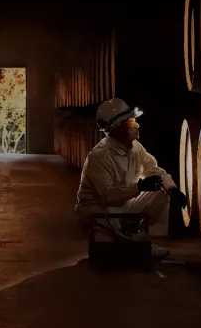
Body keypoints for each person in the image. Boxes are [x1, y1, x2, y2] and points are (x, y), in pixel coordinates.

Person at [75, 98, 187, 260]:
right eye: (131, 122)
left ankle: (147, 242)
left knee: (161, 192)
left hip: (121, 206)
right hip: (97, 211)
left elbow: (154, 170)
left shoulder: (135, 147)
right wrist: (139, 187)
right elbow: (108, 196)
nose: (137, 125)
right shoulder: (99, 156)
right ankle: (123, 241)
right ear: (118, 128)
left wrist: (173, 189)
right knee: (112, 249)